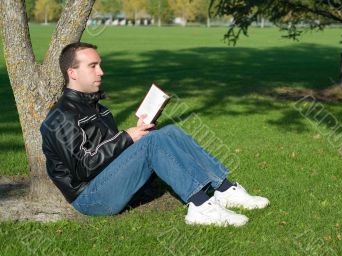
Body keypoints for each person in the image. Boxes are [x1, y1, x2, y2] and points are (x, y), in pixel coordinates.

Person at [40, 42, 270, 227]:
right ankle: (201, 207)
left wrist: (139, 132)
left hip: (106, 182)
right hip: (90, 198)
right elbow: (82, 168)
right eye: (93, 66)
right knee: (153, 141)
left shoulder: (98, 108)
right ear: (72, 72)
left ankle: (223, 189)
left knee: (166, 132)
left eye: (99, 64)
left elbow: (109, 153)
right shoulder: (60, 118)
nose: (101, 71)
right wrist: (128, 137)